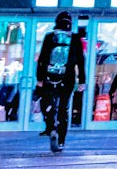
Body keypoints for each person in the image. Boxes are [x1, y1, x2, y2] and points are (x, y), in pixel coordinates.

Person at [36, 11, 86, 153]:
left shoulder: (50, 37)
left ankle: (51, 127)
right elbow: (80, 61)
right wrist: (82, 80)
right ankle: (62, 139)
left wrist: (39, 78)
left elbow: (42, 59)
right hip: (68, 77)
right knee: (64, 108)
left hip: (49, 77)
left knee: (48, 103)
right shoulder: (75, 38)